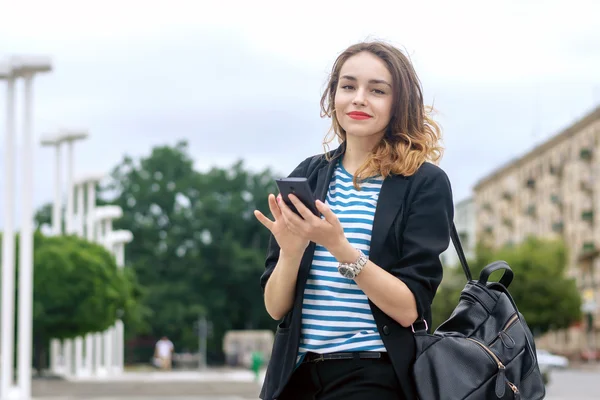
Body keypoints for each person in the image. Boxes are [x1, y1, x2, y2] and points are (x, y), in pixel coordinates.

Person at [254, 40, 454, 400]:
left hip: (372, 375)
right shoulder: (308, 176)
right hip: (295, 375)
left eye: (377, 90)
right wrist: (291, 250)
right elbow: (275, 307)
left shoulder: (423, 183)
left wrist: (338, 246)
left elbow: (409, 309)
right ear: (334, 97)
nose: (359, 98)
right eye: (348, 87)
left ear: (398, 104)